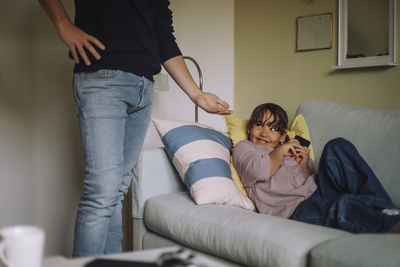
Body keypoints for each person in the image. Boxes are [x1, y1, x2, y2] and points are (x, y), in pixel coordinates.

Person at [39, 0, 233, 257]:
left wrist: (196, 95)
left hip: (143, 89)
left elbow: (163, 37)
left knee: (117, 190)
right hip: (102, 80)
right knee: (101, 191)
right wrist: (63, 24)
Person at [233, 103, 400, 234]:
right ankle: (392, 225)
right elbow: (260, 171)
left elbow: (319, 179)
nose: (264, 133)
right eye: (259, 125)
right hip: (296, 208)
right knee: (343, 205)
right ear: (249, 128)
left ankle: (385, 208)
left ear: (283, 136)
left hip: (320, 191)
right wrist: (281, 150)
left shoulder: (292, 152)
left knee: (338, 145)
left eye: (273, 128)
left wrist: (305, 166)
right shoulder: (245, 148)